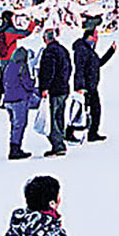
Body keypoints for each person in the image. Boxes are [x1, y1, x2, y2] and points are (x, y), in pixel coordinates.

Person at [0, 36, 42, 161]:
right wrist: (34, 85)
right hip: (19, 99)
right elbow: (27, 83)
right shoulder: (22, 67)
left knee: (14, 125)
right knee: (20, 124)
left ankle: (14, 146)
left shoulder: (8, 67)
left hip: (8, 100)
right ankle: (15, 149)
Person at [71, 22, 115, 142]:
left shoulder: (89, 50)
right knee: (83, 110)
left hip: (92, 86)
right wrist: (80, 86)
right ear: (89, 37)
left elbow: (98, 64)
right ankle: (72, 132)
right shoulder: (82, 50)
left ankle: (92, 132)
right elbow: (79, 68)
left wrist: (111, 51)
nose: (96, 40)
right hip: (85, 87)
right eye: (95, 37)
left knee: (92, 110)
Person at [36, 27, 73, 157]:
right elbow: (69, 68)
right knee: (59, 116)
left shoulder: (49, 52)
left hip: (54, 89)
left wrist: (44, 87)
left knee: (52, 118)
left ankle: (58, 145)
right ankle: (60, 141)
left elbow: (47, 71)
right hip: (63, 87)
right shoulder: (63, 50)